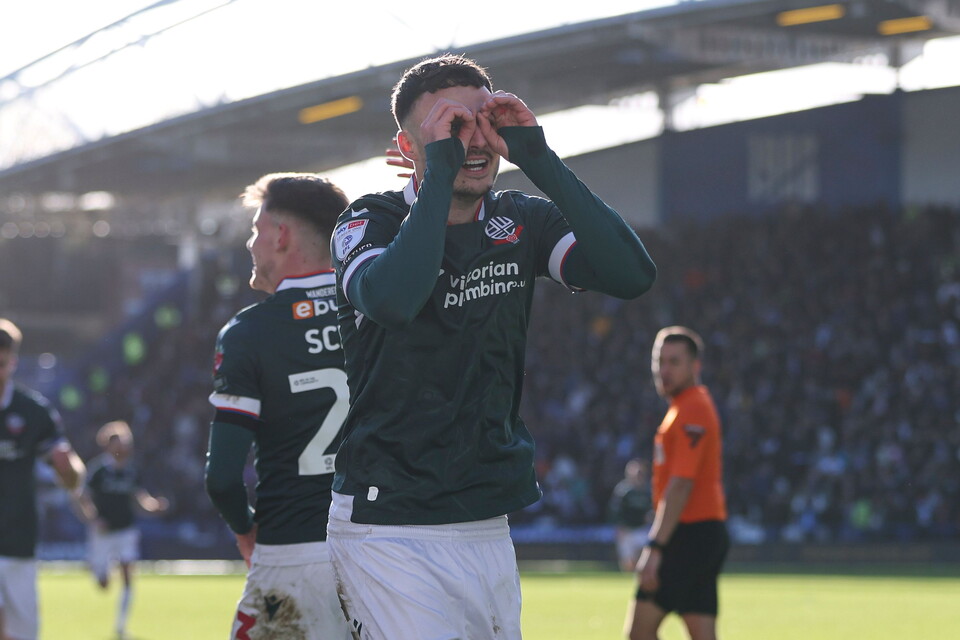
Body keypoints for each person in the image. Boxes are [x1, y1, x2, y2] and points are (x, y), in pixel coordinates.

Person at [328, 54, 657, 639]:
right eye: (452, 125)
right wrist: (437, 174)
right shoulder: (367, 221)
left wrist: (540, 159)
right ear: (408, 143)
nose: (473, 139)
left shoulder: (520, 219)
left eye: (484, 120)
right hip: (388, 521)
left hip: (485, 521)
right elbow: (394, 300)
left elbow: (631, 274)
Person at [204, 173, 354, 640]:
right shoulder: (378, 312)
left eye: (255, 230)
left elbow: (223, 478)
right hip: (384, 553)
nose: (251, 244)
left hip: (292, 555)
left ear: (281, 235)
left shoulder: (249, 332)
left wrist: (244, 529)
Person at [626, 326, 729, 640]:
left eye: (674, 362)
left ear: (695, 367)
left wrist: (655, 547)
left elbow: (681, 484)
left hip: (687, 533)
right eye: (660, 361)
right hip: (702, 532)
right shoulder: (684, 407)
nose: (664, 370)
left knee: (639, 633)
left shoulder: (692, 408)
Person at [0, 318, 86, 640]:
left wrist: (68, 468)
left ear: (13, 363)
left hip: (19, 542)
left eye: (0, 364)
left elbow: (73, 480)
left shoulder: (33, 412)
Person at [76, 420, 168, 640]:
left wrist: (153, 506)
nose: (124, 448)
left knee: (128, 574)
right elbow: (83, 498)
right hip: (103, 533)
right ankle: (98, 570)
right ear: (109, 445)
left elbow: (139, 497)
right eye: (120, 443)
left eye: (127, 443)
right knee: (103, 584)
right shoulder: (99, 470)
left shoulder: (131, 470)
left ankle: (121, 626)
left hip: (126, 529)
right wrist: (94, 519)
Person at [609, 458, 653, 572]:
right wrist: (619, 527)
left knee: (643, 557)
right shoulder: (623, 491)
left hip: (642, 529)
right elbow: (615, 510)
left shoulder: (648, 490)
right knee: (627, 563)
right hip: (627, 530)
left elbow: (653, 508)